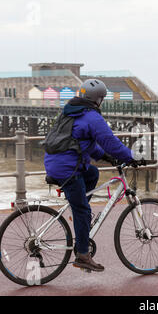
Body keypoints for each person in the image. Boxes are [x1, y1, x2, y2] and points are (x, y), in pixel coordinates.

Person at [44, 79, 136, 272]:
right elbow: (110, 141)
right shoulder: (92, 117)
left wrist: (105, 157)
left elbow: (85, 143)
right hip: (67, 168)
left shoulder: (71, 111)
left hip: (56, 162)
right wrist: (131, 157)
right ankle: (83, 255)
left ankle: (81, 214)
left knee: (92, 173)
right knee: (83, 211)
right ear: (98, 99)